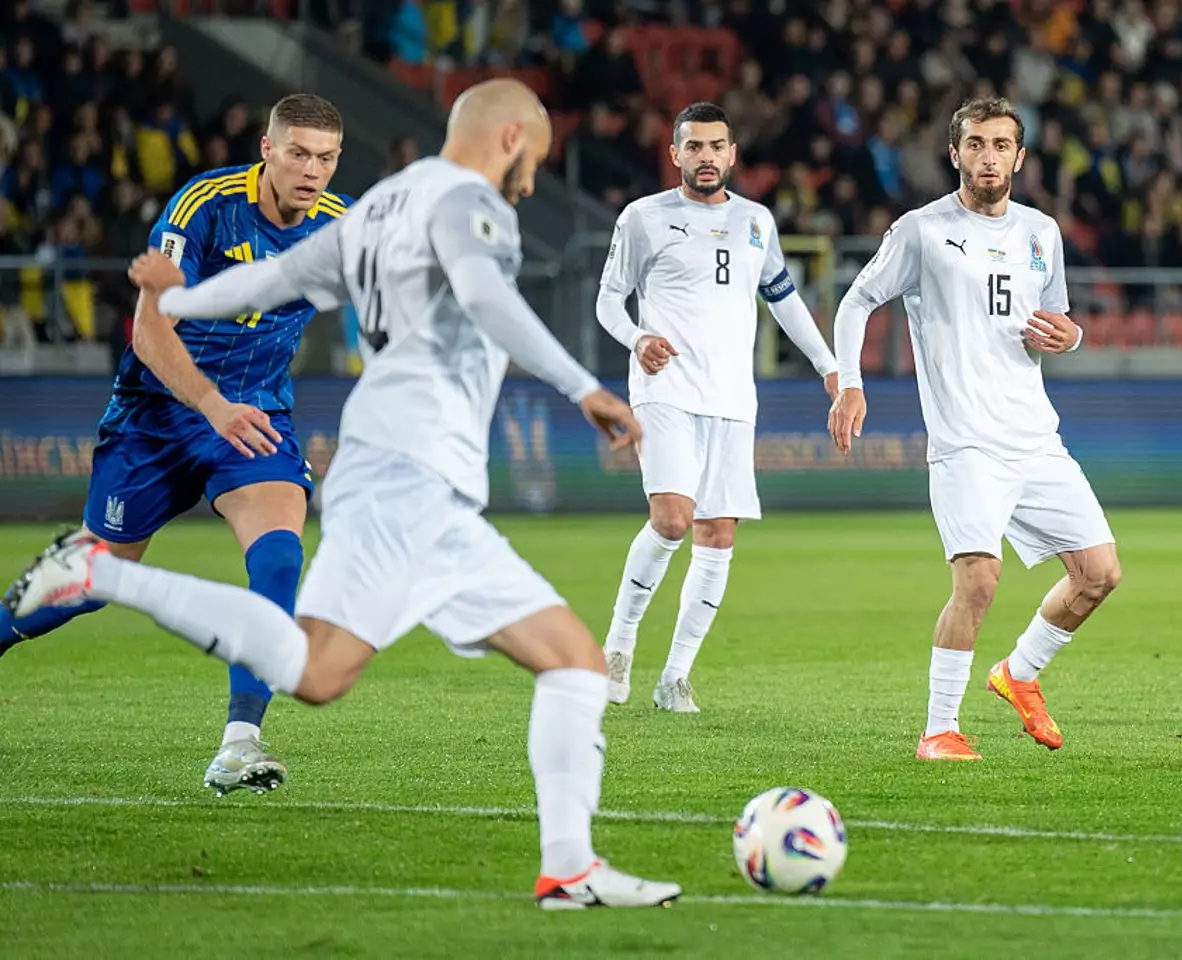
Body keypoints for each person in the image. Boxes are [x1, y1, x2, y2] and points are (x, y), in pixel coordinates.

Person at [7, 78, 680, 911]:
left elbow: (263, 285)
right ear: (510, 138)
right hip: (381, 466)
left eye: (326, 156)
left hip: (381, 462)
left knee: (532, 663)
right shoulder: (467, 202)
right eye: (534, 159)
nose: (533, 180)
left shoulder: (372, 208)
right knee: (522, 662)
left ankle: (565, 867)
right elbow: (482, 294)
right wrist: (583, 386)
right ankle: (100, 576)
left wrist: (174, 292)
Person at [0, 94, 349, 795]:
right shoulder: (205, 206)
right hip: (156, 416)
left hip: (254, 418)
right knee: (93, 579)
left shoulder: (344, 228)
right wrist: (210, 404)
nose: (313, 170)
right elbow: (149, 329)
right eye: (300, 153)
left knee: (280, 552)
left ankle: (240, 743)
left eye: (327, 158)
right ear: (267, 149)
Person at [828, 97, 1122, 762]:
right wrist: (850, 383)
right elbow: (856, 301)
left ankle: (1018, 674)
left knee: (1100, 575)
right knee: (979, 580)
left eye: (1001, 145)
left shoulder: (1042, 232)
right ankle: (938, 730)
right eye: (976, 144)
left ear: (1020, 157)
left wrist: (1071, 338)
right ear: (954, 153)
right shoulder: (922, 231)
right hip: (966, 443)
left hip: (1034, 438)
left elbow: (1058, 323)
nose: (989, 156)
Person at [595, 102, 839, 713]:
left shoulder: (756, 222)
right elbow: (608, 301)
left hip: (732, 397)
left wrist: (830, 366)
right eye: (694, 147)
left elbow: (784, 302)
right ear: (675, 154)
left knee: (717, 532)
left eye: (717, 146)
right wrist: (637, 339)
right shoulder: (644, 218)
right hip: (666, 387)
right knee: (674, 519)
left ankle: (674, 676)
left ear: (733, 154)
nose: (707, 157)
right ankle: (618, 646)